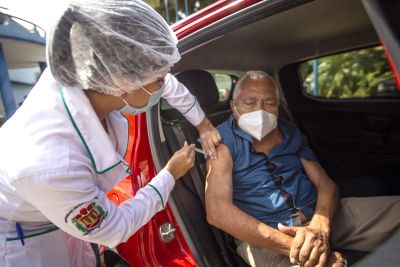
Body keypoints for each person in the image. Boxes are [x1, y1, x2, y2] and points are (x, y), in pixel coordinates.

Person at [0, 1, 221, 266]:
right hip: (25, 239)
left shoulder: (96, 76)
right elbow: (115, 228)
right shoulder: (52, 164)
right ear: (122, 85)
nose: (165, 82)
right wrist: (170, 174)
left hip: (59, 212)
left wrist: (204, 125)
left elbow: (162, 81)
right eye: (159, 78)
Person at [205, 70, 400, 267]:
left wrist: (321, 226)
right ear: (233, 105)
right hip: (267, 238)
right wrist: (306, 249)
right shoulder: (222, 143)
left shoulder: (289, 132)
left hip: (322, 217)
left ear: (278, 107)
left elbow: (325, 184)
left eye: (270, 103)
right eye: (249, 103)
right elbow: (218, 212)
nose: (260, 110)